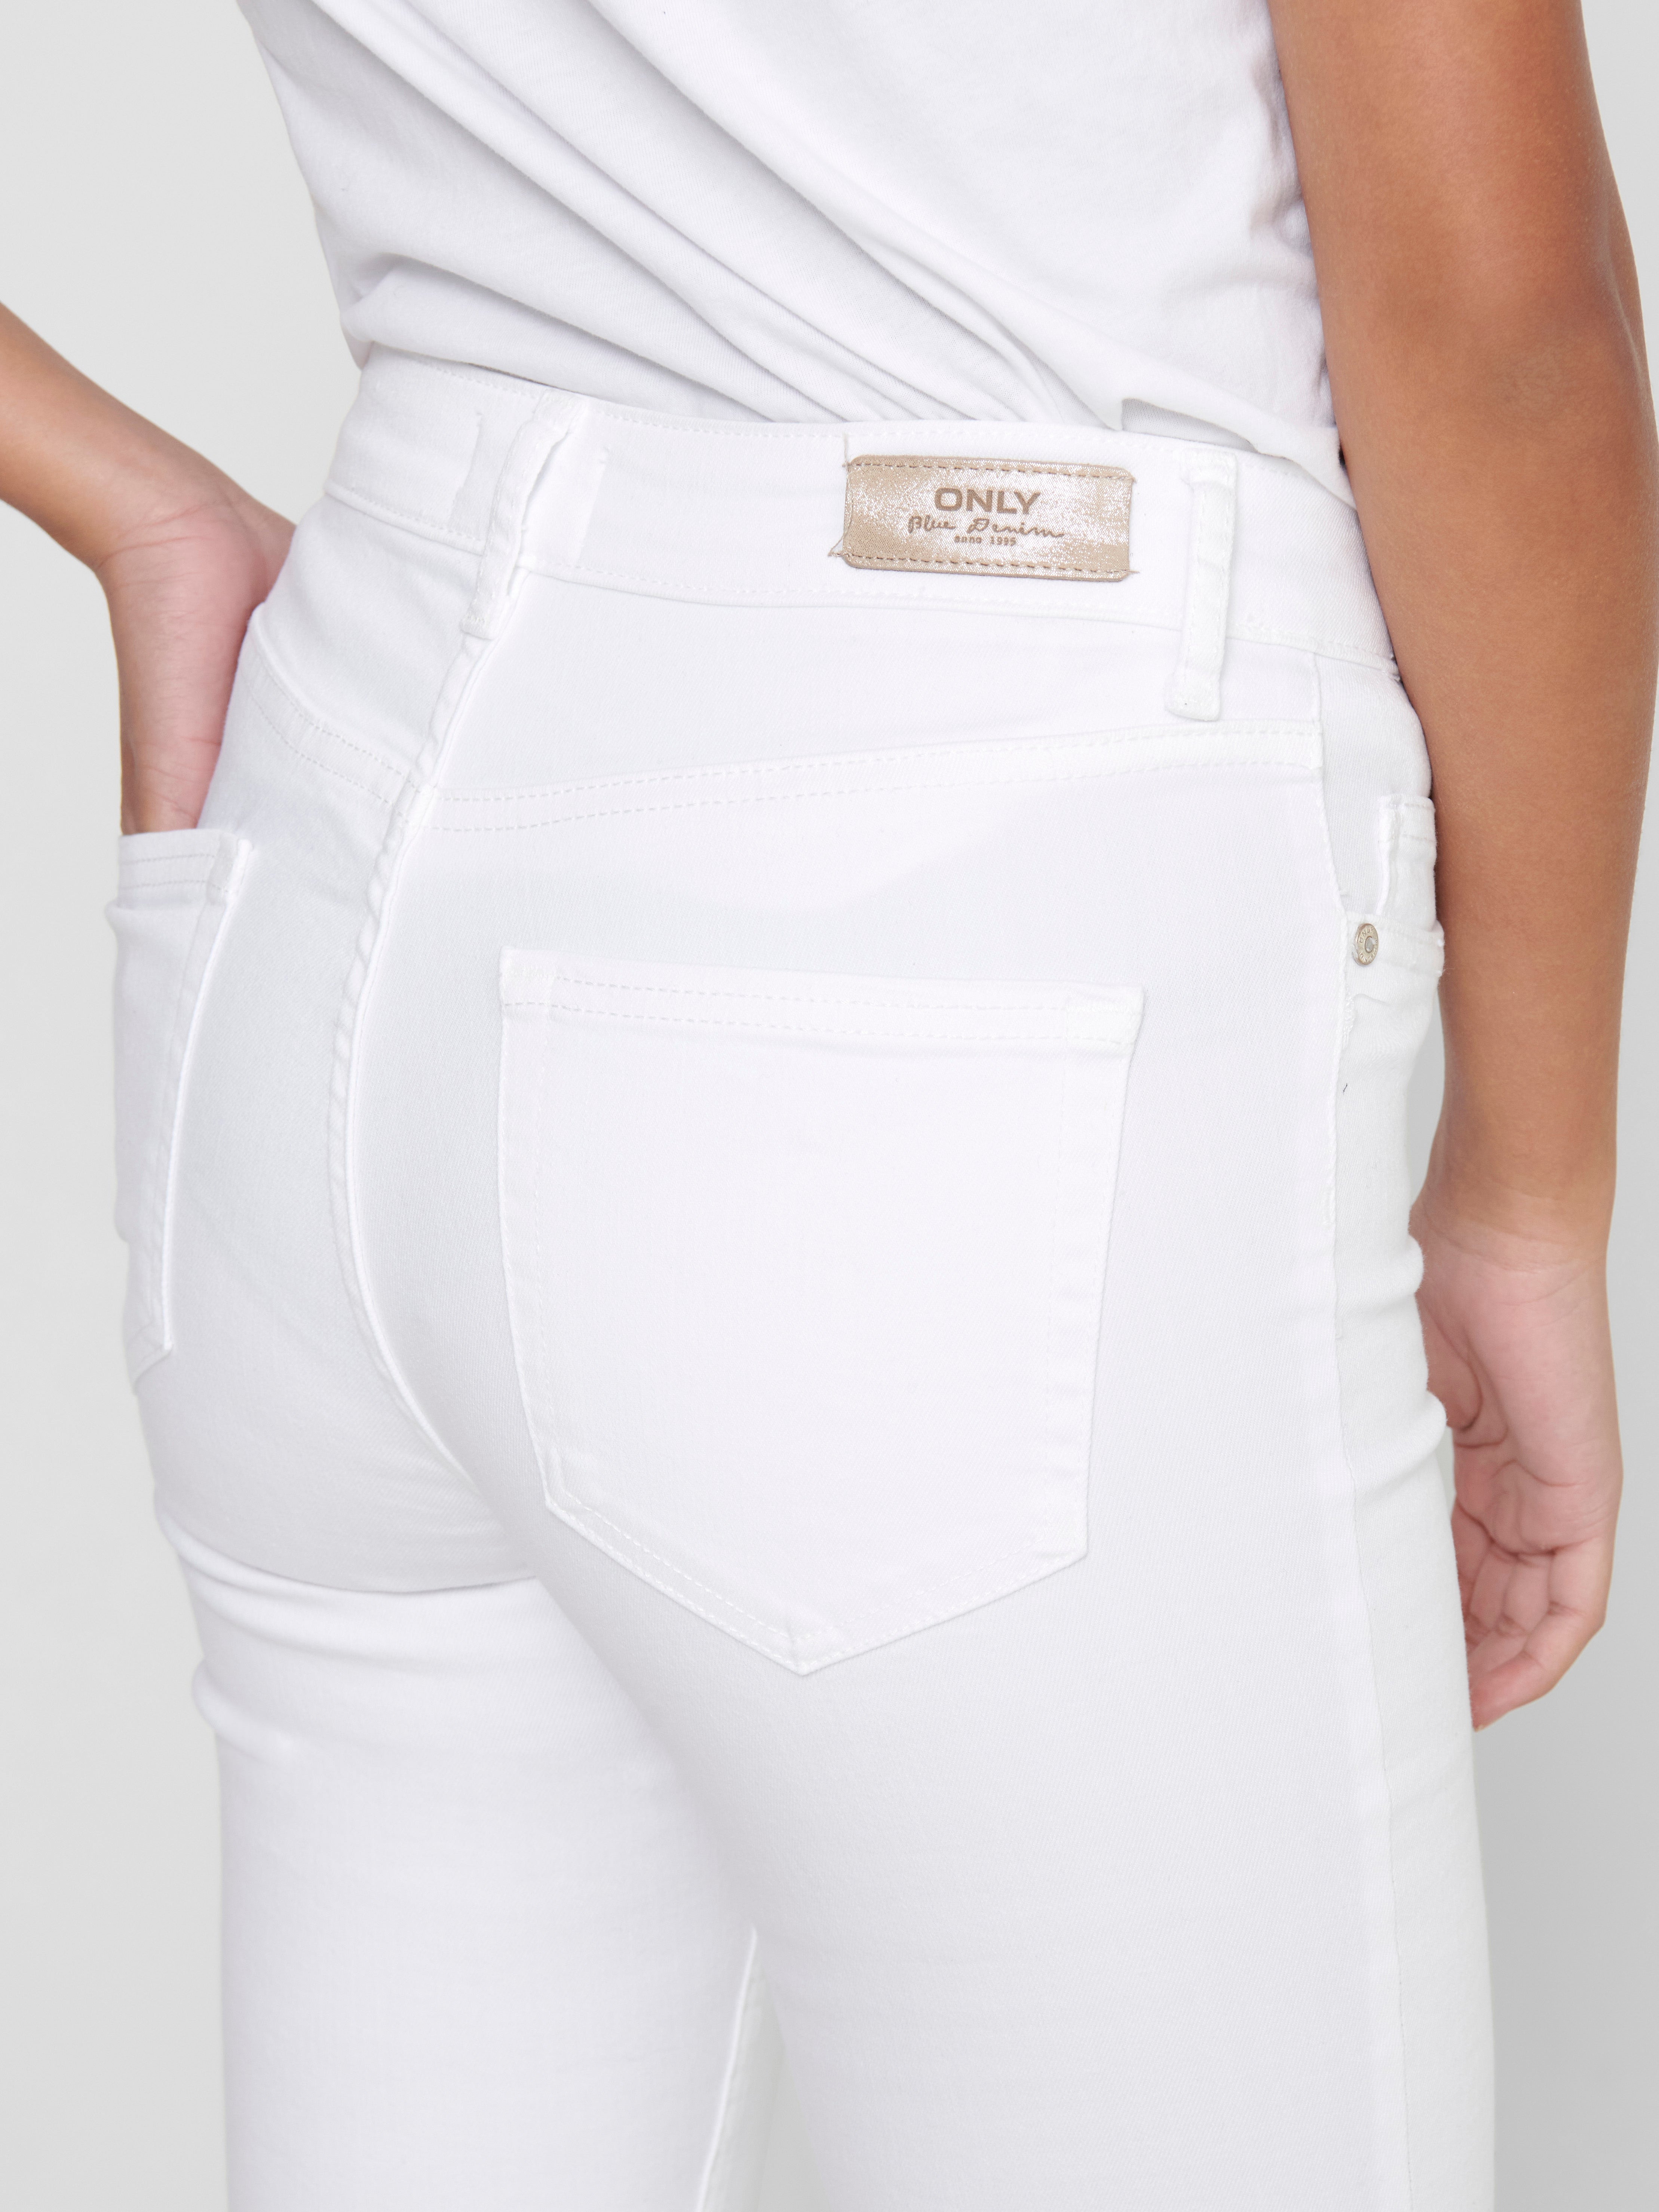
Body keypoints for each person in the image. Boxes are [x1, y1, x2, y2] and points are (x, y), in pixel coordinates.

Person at [2, 2, 1652, 2205]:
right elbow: (1494, 327)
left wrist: (129, 508)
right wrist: (1526, 1186)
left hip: (344, 838)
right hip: (977, 912)